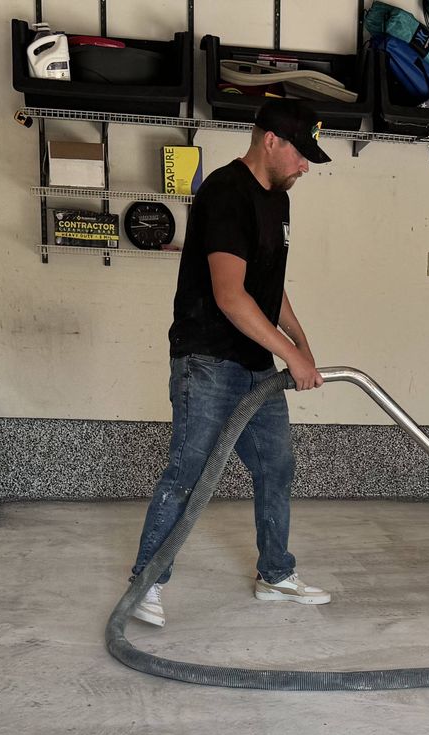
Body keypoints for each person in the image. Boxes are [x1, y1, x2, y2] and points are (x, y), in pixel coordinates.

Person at [128, 97, 332, 628]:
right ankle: (146, 585)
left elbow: (269, 286)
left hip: (254, 362)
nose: (306, 165)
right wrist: (291, 355)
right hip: (208, 359)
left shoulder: (278, 200)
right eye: (301, 154)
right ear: (271, 140)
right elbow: (231, 296)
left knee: (275, 464)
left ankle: (275, 574)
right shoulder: (224, 193)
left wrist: (300, 343)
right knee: (188, 473)